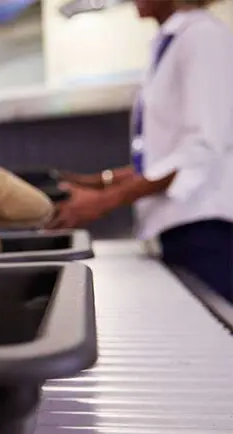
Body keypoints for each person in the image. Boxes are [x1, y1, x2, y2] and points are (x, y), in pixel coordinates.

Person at [49, 0, 233, 301]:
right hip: (183, 228)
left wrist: (103, 201)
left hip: (206, 230)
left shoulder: (203, 37)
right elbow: (167, 156)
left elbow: (201, 149)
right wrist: (97, 181)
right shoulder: (173, 40)